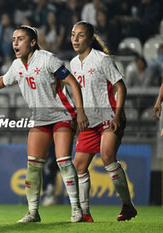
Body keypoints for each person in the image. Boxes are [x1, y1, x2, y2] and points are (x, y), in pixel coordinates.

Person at [0, 25, 88, 223]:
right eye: (14, 39)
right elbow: (4, 80)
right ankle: (33, 213)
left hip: (62, 115)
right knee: (33, 165)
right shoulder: (17, 65)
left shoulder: (47, 59)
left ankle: (76, 209)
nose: (15, 42)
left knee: (63, 161)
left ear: (33, 42)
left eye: (20, 39)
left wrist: (81, 111)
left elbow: (72, 82)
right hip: (40, 118)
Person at [70, 21, 137, 222]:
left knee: (107, 157)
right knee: (79, 166)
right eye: (73, 35)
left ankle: (127, 205)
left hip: (108, 118)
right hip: (88, 123)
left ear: (90, 39)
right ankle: (85, 214)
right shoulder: (73, 64)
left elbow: (120, 87)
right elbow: (77, 96)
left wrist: (117, 115)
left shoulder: (102, 60)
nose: (75, 39)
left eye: (80, 35)